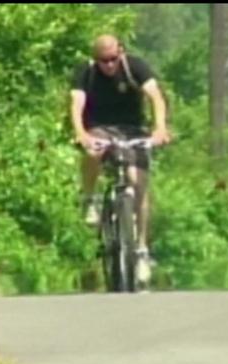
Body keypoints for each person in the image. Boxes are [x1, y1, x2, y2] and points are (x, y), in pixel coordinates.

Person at [69, 34, 171, 284]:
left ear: (121, 52)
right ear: (96, 59)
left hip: (133, 129)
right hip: (101, 128)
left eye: (113, 59)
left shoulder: (134, 66)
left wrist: (159, 128)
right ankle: (90, 198)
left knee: (138, 183)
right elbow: (76, 104)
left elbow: (155, 96)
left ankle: (141, 248)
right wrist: (81, 133)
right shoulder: (87, 73)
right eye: (103, 61)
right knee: (93, 151)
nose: (109, 65)